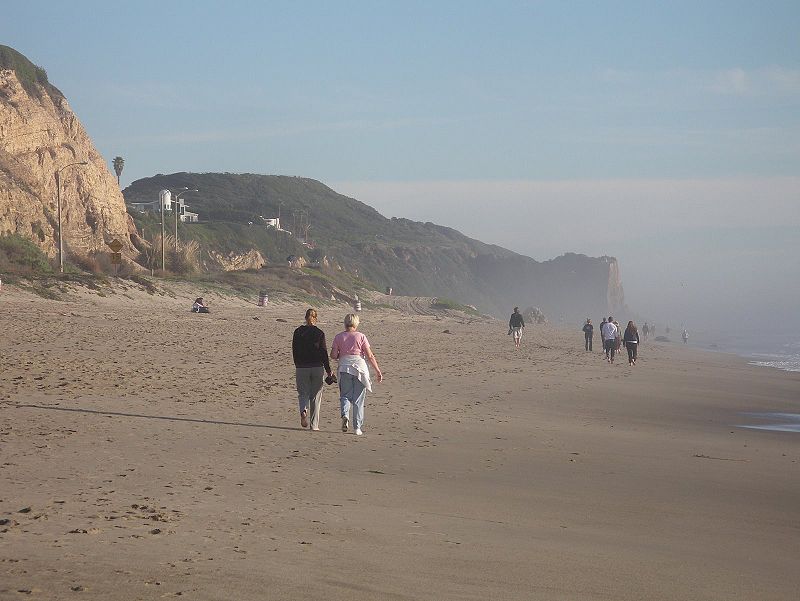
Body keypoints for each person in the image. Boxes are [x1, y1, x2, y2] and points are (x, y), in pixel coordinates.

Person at [330, 313, 383, 436]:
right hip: (359, 368)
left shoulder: (339, 337)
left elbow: (333, 355)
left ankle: (345, 414)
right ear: (356, 323)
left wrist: (341, 355)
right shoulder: (361, 336)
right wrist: (377, 370)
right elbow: (369, 355)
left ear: (345, 323)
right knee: (358, 399)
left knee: (345, 395)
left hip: (344, 368)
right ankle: (357, 427)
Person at [292, 308, 334, 431]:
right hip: (317, 367)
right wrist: (328, 370)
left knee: (303, 393)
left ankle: (303, 410)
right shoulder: (319, 333)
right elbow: (323, 352)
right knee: (316, 396)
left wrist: (297, 364)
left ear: (305, 318)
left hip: (301, 367)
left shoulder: (298, 332)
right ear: (316, 318)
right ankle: (314, 425)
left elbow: (294, 350)